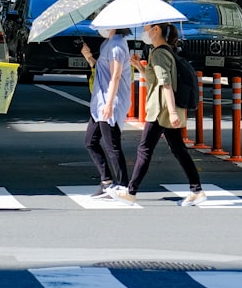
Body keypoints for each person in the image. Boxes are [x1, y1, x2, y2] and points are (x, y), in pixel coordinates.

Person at [110, 22, 207, 206]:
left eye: (147, 29)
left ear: (156, 31)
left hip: (160, 111)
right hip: (163, 110)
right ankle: (196, 190)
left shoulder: (159, 53)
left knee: (145, 149)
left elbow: (166, 83)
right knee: (178, 149)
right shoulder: (164, 51)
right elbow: (155, 78)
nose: (145, 32)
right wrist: (139, 66)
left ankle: (131, 192)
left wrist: (171, 112)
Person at [80, 28, 132, 199]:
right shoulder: (107, 44)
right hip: (100, 102)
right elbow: (101, 70)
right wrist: (88, 57)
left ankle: (123, 185)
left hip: (110, 102)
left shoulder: (116, 46)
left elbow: (115, 76)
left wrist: (109, 104)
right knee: (90, 141)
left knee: (112, 146)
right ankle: (107, 181)